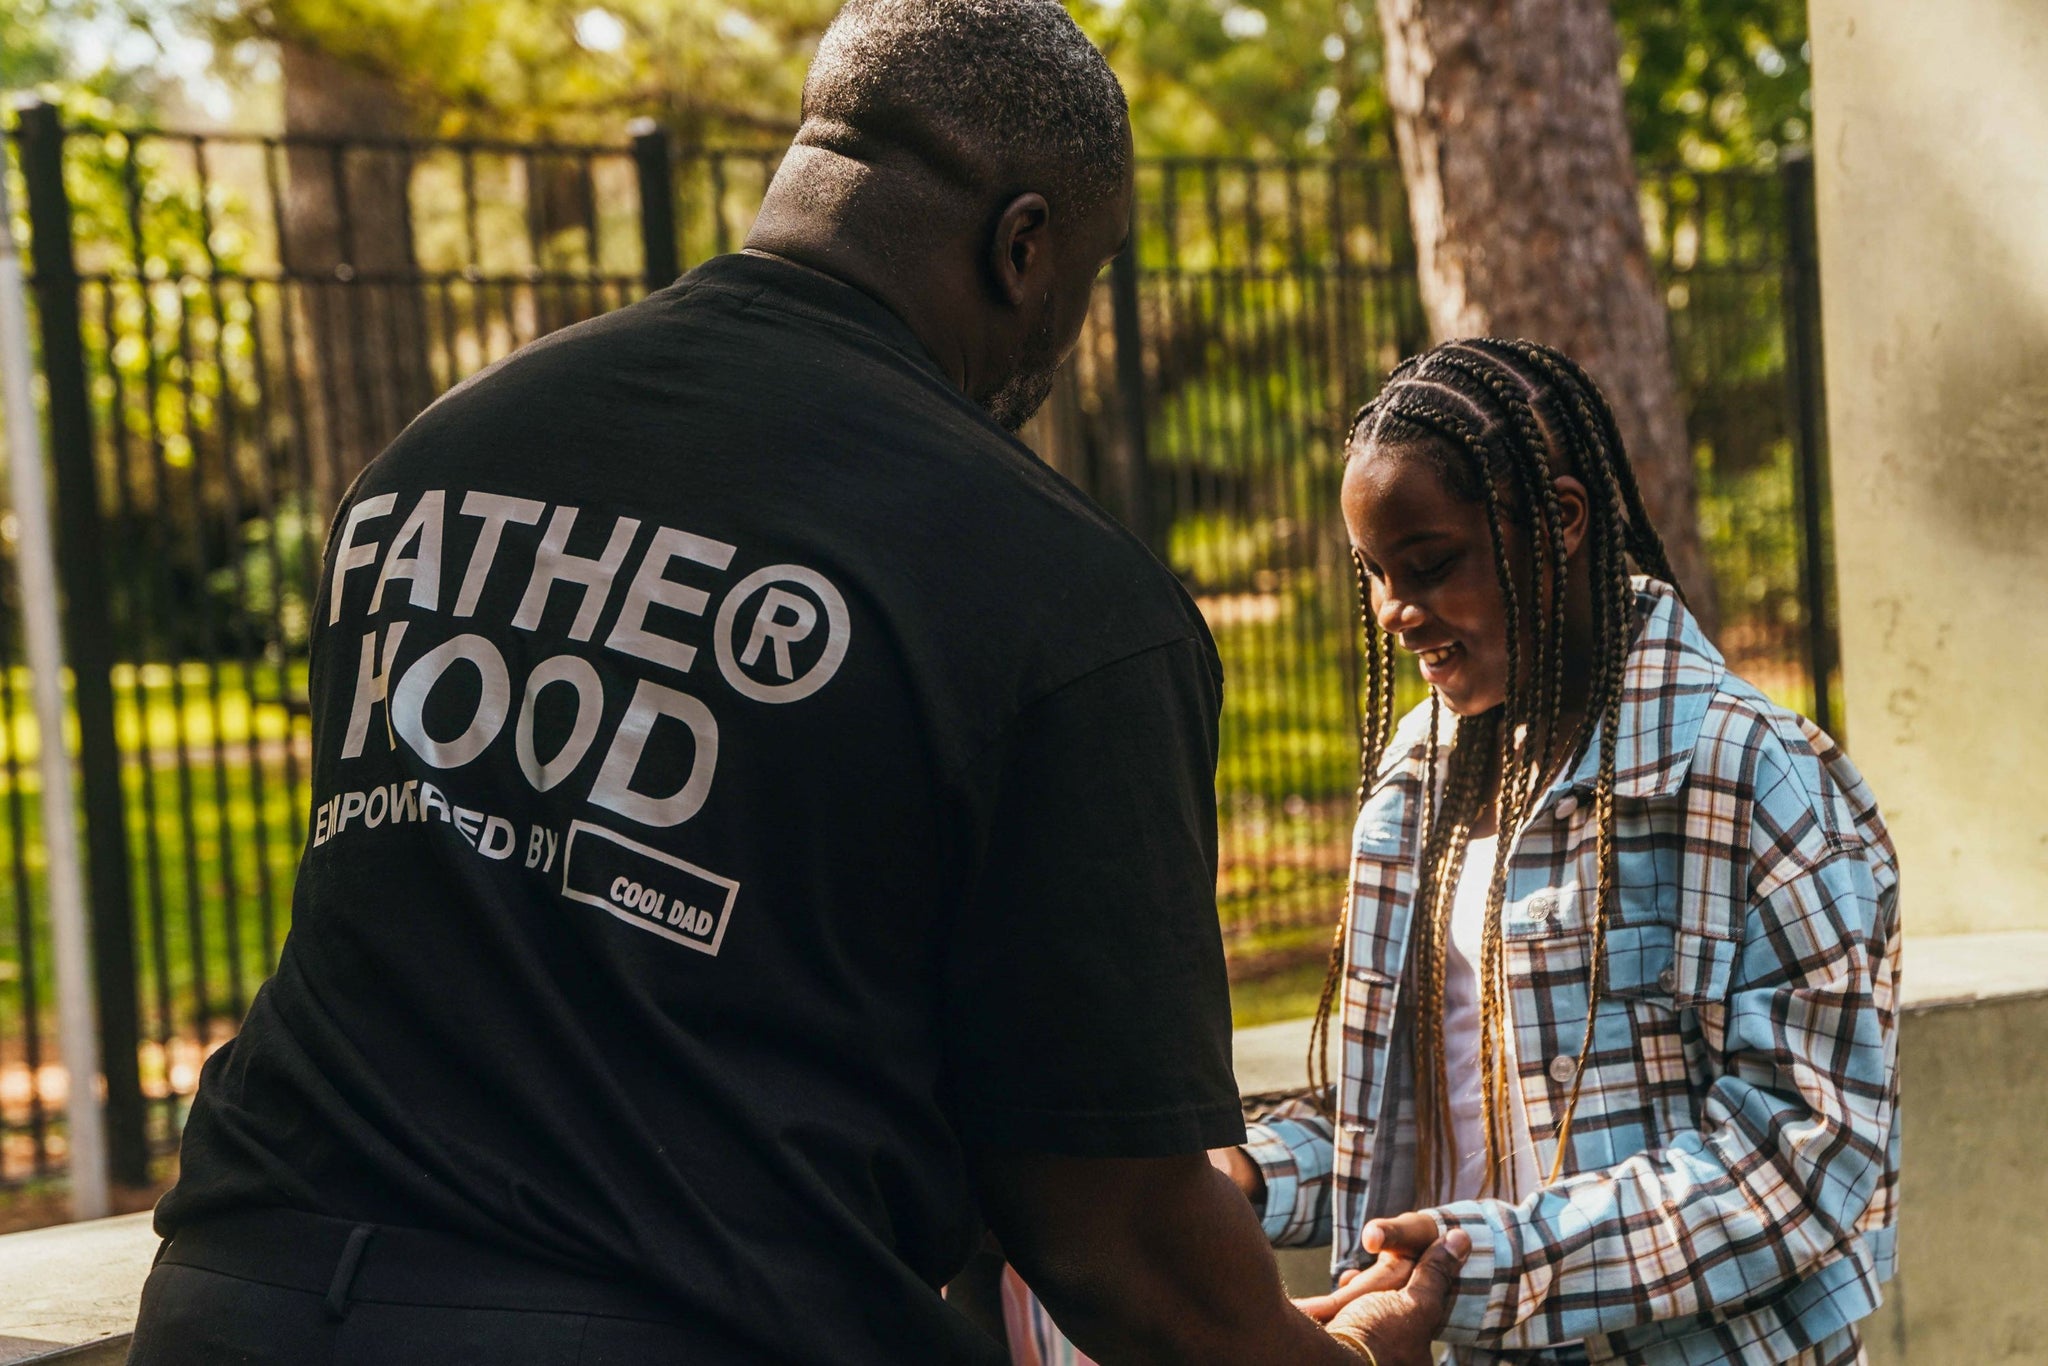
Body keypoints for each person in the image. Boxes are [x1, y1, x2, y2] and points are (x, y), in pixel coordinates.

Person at [128, 2, 1465, 1362]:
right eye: (1089, 275)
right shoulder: (1060, 596)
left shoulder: (431, 463)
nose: (1069, 331)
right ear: (1024, 246)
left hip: (233, 1296)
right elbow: (1113, 1232)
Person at [1233, 338, 1901, 1365]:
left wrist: (1489, 1260)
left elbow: (1804, 1157)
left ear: (1562, 520)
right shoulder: (1420, 774)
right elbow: (1425, 1124)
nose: (1394, 613)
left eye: (1430, 564)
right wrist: (1245, 1176)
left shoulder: (1744, 769)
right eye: (1373, 574)